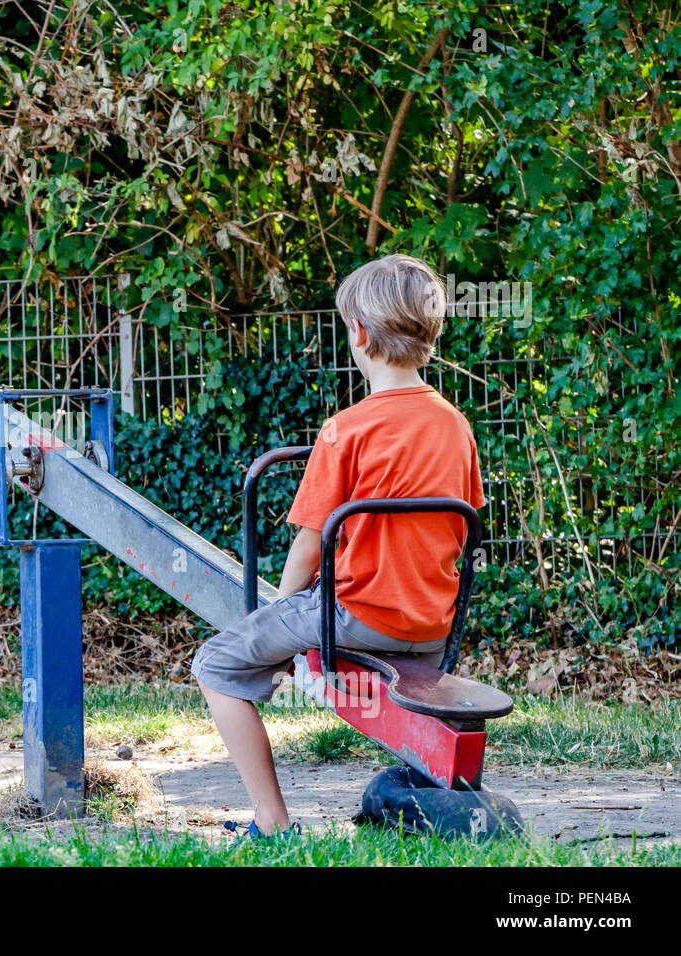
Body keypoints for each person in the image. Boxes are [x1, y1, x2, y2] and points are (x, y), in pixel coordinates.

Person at [192, 253, 486, 841]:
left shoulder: (345, 429)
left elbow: (307, 549)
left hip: (356, 616)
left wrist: (279, 608)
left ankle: (272, 823)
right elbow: (462, 524)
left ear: (358, 334)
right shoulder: (455, 424)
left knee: (217, 665)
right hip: (432, 623)